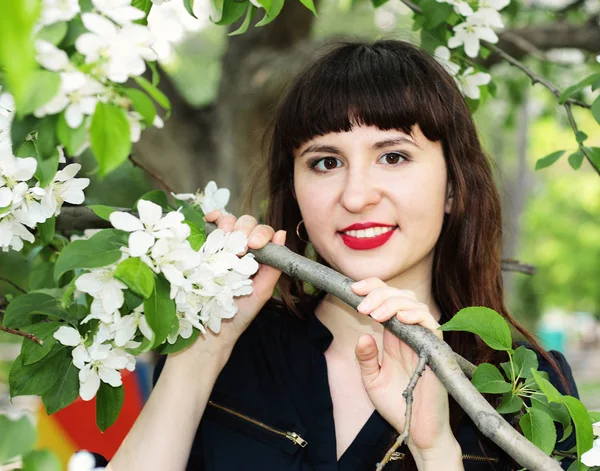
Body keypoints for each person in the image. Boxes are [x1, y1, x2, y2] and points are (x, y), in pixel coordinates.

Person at [104, 40, 578, 471]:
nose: (356, 196)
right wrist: (205, 349)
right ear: (296, 190)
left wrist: (436, 452)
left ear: (453, 186)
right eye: (326, 162)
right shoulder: (231, 349)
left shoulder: (532, 386)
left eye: (393, 156)